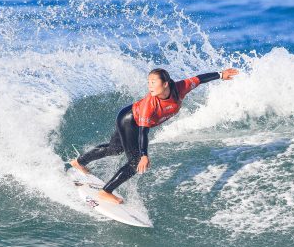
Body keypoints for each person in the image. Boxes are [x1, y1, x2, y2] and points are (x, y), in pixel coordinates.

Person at [70, 67, 239, 204]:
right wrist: (144, 155)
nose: (149, 86)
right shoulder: (149, 104)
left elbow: (199, 79)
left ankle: (79, 162)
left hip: (130, 117)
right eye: (148, 82)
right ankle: (105, 192)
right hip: (129, 120)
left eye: (153, 82)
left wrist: (220, 75)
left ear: (165, 84)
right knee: (135, 162)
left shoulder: (181, 88)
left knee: (114, 149)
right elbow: (143, 131)